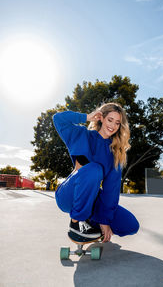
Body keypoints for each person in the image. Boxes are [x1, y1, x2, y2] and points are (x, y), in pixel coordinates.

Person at [53, 102, 139, 243]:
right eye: (110, 120)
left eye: (117, 123)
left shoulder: (115, 154)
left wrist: (104, 221)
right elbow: (58, 119)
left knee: (130, 225)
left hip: (93, 199)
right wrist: (86, 117)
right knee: (94, 169)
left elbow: (111, 190)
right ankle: (76, 223)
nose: (112, 125)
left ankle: (93, 225)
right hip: (69, 195)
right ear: (101, 118)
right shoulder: (81, 134)